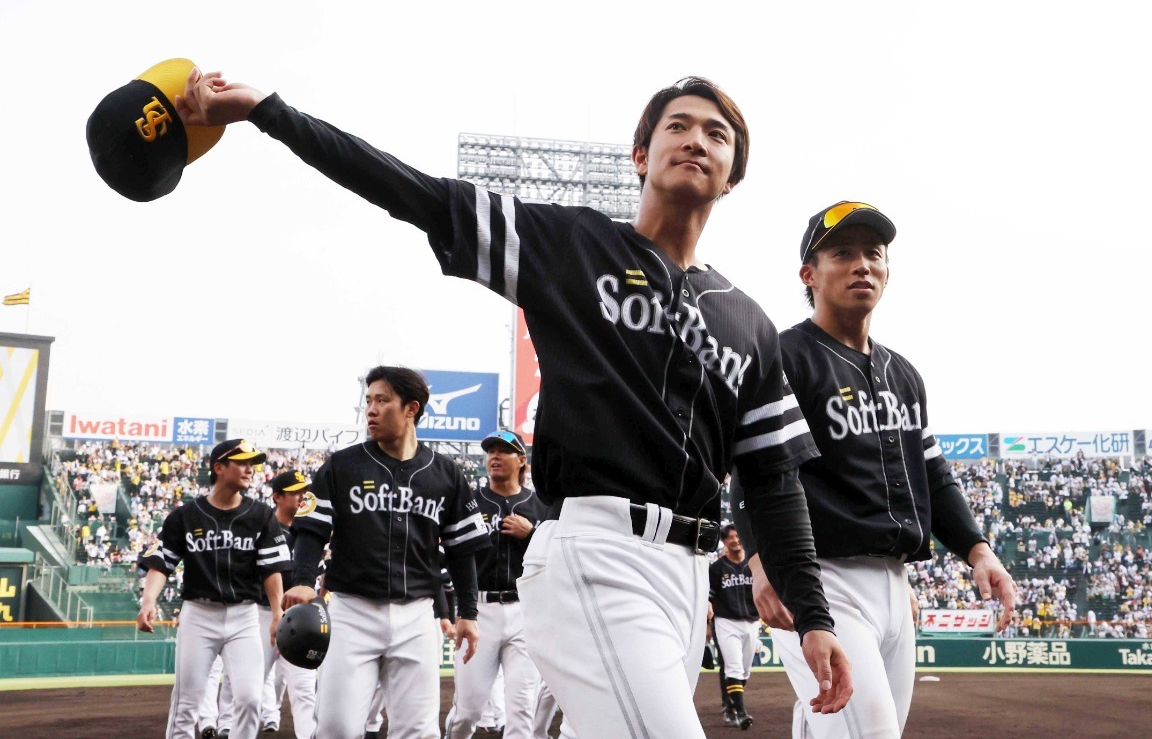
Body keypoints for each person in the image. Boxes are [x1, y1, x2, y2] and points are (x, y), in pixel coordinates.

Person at [175, 70, 852, 738]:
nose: (696, 139)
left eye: (717, 133)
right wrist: (268, 111)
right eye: (678, 126)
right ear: (641, 155)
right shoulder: (572, 244)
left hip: (687, 575)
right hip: (597, 554)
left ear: (733, 175)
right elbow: (410, 191)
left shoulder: (748, 323)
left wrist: (814, 615)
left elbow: (774, 481)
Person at [734, 201, 1018, 739]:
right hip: (819, 576)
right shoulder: (784, 357)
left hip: (894, 580)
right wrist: (760, 562)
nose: (862, 264)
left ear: (888, 271)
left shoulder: (903, 374)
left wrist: (979, 550)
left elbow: (931, 473)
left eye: (874, 253)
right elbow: (753, 470)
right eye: (843, 254)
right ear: (809, 274)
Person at [281, 365, 490, 739]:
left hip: (417, 615)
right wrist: (302, 580)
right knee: (337, 729)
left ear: (411, 408)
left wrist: (468, 613)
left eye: (382, 400)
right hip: (352, 611)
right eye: (368, 401)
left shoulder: (446, 474)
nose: (371, 410)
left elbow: (461, 550)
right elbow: (311, 530)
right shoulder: (342, 465)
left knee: (418, 732)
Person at [137, 438, 289, 739]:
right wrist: (148, 600)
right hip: (199, 615)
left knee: (251, 699)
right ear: (219, 468)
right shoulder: (185, 516)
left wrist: (277, 614)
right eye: (242, 463)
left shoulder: (260, 515)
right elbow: (161, 563)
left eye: (251, 464)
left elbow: (272, 570)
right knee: (186, 702)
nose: (249, 469)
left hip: (244, 616)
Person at [444, 430, 547, 739]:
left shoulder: (539, 506)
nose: (495, 456)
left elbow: (555, 558)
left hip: (526, 611)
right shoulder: (469, 503)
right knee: (468, 712)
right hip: (480, 611)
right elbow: (451, 554)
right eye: (491, 451)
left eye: (503, 450)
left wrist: (531, 535)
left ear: (521, 460)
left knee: (522, 709)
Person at [258, 470, 319, 739]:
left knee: (304, 688)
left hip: (301, 616)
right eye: (295, 492)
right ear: (277, 497)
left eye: (304, 491)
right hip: (262, 614)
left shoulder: (309, 532)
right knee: (249, 687)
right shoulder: (262, 529)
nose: (302, 496)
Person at [708, 524, 759, 730]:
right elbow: (709, 598)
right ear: (724, 541)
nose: (735, 540)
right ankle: (739, 711)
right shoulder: (716, 569)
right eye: (730, 538)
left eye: (737, 536)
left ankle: (732, 705)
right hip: (726, 621)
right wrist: (708, 625)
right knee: (733, 667)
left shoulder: (754, 565)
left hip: (752, 622)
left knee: (744, 671)